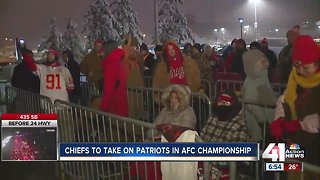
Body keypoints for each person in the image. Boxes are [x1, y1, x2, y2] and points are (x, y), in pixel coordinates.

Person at [270, 35, 320, 180]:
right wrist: (280, 118)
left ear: (317, 63)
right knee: (294, 173)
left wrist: (303, 124)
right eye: (297, 67)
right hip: (296, 142)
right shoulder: (295, 77)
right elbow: (285, 99)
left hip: (316, 145)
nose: (301, 72)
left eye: (305, 67)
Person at [242, 49, 277, 141]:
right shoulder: (251, 81)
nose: (266, 64)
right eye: (262, 62)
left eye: (266, 60)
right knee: (261, 144)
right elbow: (250, 103)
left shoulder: (262, 77)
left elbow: (268, 92)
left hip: (269, 120)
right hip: (258, 125)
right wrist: (263, 122)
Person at [100, 48, 128, 117]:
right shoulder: (118, 64)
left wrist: (101, 110)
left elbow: (108, 90)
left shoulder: (111, 66)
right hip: (119, 103)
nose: (101, 54)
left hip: (114, 106)